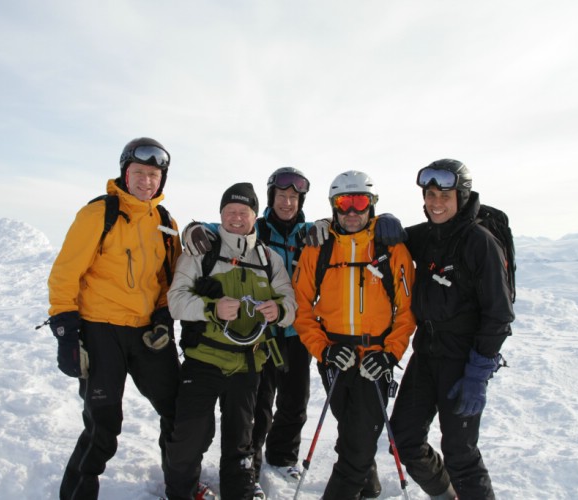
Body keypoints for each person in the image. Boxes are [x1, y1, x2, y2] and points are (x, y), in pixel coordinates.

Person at [181, 168, 407, 499]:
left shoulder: (310, 232)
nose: (287, 202)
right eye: (280, 196)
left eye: (293, 197)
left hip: (296, 331)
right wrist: (192, 227)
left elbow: (351, 227)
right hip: (258, 334)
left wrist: (385, 217)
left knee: (295, 401)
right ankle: (252, 467)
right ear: (270, 198)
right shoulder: (254, 227)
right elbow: (223, 227)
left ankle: (283, 455)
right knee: (260, 404)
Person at [46, 137, 183, 499]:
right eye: (139, 173)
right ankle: (77, 493)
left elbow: (171, 280)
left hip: (146, 333)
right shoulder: (98, 213)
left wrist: (163, 316)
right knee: (103, 423)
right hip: (100, 329)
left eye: (154, 175)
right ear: (125, 172)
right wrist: (65, 331)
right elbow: (65, 273)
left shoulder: (167, 223)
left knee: (179, 411)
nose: (147, 181)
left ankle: (180, 485)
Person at [389, 159, 515, 500]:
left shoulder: (480, 242)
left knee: (461, 454)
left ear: (461, 196)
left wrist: (477, 372)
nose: (436, 202)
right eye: (430, 194)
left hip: (463, 359)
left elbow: (499, 314)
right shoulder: (426, 235)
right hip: (427, 352)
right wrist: (384, 222)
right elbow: (386, 237)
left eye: (444, 195)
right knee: (404, 439)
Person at [165, 182, 298, 500]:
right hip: (204, 361)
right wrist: (212, 308)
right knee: (189, 435)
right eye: (230, 212)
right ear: (221, 214)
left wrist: (277, 310)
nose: (236, 218)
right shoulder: (201, 252)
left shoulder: (269, 260)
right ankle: (181, 493)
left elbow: (290, 306)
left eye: (244, 212)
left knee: (241, 440)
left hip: (248, 364)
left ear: (255, 216)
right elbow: (176, 301)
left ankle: (238, 492)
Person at [292, 170, 416, 500]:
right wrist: (324, 351)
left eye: (359, 202)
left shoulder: (391, 249)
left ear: (371, 205)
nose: (351, 211)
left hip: (375, 359)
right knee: (350, 430)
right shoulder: (317, 249)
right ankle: (370, 488)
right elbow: (301, 308)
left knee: (355, 449)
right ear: (333, 206)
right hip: (335, 357)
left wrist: (389, 355)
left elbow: (407, 312)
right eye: (343, 203)